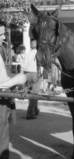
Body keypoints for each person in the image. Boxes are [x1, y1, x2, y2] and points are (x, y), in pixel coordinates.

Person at [0, 40, 41, 120]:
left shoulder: (27, 54)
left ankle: (35, 109)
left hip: (27, 73)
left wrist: (22, 75)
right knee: (35, 93)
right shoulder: (39, 54)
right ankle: (30, 113)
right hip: (36, 73)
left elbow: (22, 66)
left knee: (30, 92)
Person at [0, 25, 16, 159]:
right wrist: (17, 80)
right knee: (2, 129)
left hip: (4, 92)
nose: (4, 37)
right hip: (2, 94)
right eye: (1, 35)